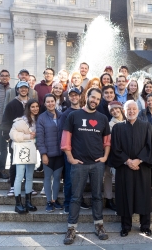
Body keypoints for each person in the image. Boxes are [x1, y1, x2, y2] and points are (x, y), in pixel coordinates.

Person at [61, 88, 111, 244]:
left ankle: (99, 225)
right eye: (92, 97)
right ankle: (71, 228)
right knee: (75, 197)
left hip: (97, 164)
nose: (95, 100)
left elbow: (107, 141)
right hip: (79, 164)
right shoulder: (73, 115)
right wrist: (70, 158)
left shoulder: (102, 118)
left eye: (97, 99)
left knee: (97, 196)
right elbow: (65, 139)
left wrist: (105, 157)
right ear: (86, 97)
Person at [109, 100, 152, 237]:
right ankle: (125, 226)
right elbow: (115, 149)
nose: (131, 111)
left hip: (142, 168)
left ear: (138, 110)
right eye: (128, 109)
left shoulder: (146, 126)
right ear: (124, 111)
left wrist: (138, 160)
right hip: (124, 168)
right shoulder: (118, 128)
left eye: (133, 109)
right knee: (125, 195)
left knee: (143, 196)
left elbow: (150, 147)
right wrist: (127, 161)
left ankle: (145, 225)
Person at [2, 81, 34, 197]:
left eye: (25, 88)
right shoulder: (11, 104)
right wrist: (7, 136)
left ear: (28, 89)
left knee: (29, 162)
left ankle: (28, 186)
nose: (23, 90)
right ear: (17, 90)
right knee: (14, 162)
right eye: (21, 88)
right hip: (16, 139)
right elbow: (5, 121)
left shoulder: (32, 103)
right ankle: (12, 186)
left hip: (30, 138)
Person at [9, 99, 40, 214]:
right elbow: (12, 134)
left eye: (37, 106)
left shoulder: (39, 120)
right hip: (22, 151)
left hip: (31, 150)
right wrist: (27, 136)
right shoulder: (20, 121)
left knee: (30, 176)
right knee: (19, 175)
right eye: (32, 106)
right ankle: (18, 203)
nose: (35, 108)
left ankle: (28, 201)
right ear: (28, 108)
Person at [36, 94, 64, 213]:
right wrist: (43, 154)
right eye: (48, 102)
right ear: (45, 103)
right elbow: (40, 138)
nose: (50, 103)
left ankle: (55, 200)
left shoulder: (62, 116)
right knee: (48, 177)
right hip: (48, 153)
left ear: (55, 102)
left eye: (52, 101)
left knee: (57, 177)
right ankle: (48, 201)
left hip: (60, 153)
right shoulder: (41, 118)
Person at [60, 87, 82, 213]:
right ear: (69, 97)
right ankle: (67, 202)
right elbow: (62, 134)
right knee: (69, 178)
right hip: (70, 152)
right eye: (71, 95)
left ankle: (80, 200)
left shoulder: (85, 112)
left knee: (81, 178)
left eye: (76, 95)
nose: (74, 97)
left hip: (82, 151)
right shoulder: (65, 114)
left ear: (80, 97)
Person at [104, 101, 126, 211]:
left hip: (125, 155)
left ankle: (121, 198)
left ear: (121, 109)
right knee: (108, 176)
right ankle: (109, 199)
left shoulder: (127, 121)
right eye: (112, 110)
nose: (114, 111)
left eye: (116, 109)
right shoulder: (110, 124)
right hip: (112, 154)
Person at [138, 94, 152, 198]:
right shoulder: (142, 113)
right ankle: (144, 187)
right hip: (144, 141)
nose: (150, 102)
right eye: (148, 100)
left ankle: (151, 187)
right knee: (144, 165)